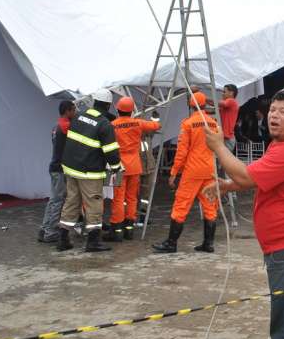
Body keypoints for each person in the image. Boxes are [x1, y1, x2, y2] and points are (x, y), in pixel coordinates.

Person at [201, 88, 284, 339]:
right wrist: (228, 185)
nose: (274, 116)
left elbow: (247, 177)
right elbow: (260, 176)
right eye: (273, 110)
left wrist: (218, 146)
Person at [153, 92, 220, 253]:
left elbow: (182, 151)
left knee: (181, 205)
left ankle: (171, 243)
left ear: (190, 105)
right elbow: (218, 147)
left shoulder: (188, 124)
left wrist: (174, 173)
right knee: (210, 207)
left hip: (192, 171)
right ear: (205, 105)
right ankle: (208, 243)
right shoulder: (213, 123)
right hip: (210, 170)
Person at [57, 89, 122, 252]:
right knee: (94, 205)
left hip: (71, 169)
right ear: (108, 105)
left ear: (94, 102)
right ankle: (93, 242)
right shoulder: (104, 124)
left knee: (71, 202)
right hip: (89, 172)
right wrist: (116, 168)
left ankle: (63, 239)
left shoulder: (79, 116)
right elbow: (111, 150)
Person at [103, 97, 161, 242]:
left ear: (118, 109)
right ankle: (129, 230)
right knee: (132, 198)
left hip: (118, 166)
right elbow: (156, 126)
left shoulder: (112, 125)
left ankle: (116, 230)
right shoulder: (138, 123)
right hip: (135, 166)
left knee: (118, 199)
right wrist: (154, 118)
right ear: (131, 111)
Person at [38, 100, 76, 243]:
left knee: (53, 200)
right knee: (58, 201)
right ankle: (51, 232)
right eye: (73, 110)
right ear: (67, 111)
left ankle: (44, 229)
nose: (75, 113)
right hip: (61, 168)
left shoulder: (56, 126)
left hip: (54, 167)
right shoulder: (66, 126)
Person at [219, 84, 240, 154]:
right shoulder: (226, 104)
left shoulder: (231, 101)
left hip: (227, 138)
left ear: (231, 93)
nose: (222, 94)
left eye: (224, 92)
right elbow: (215, 107)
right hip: (225, 137)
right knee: (221, 161)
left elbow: (218, 103)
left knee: (223, 161)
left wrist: (203, 98)